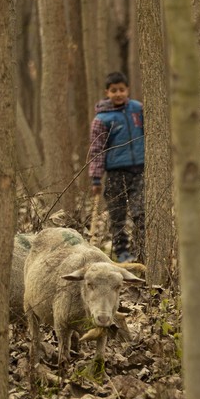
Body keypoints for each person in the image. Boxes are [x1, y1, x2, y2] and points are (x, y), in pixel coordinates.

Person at [89, 71, 145, 263]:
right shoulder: (102, 119)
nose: (119, 94)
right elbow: (97, 149)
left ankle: (143, 250)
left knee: (141, 213)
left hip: (140, 169)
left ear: (127, 89)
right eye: (114, 91)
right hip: (115, 172)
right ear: (107, 92)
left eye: (122, 89)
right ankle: (122, 252)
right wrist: (96, 178)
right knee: (117, 213)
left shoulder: (138, 109)